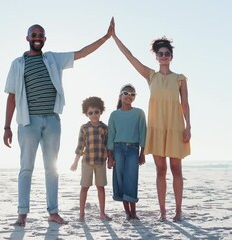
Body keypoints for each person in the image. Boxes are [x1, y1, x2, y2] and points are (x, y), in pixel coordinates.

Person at [3, 20, 113, 227]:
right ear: (27, 38)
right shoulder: (17, 64)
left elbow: (81, 53)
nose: (37, 38)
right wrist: (7, 126)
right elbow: (11, 96)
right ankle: (22, 214)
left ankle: (53, 212)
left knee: (51, 169)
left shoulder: (53, 59)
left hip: (52, 121)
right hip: (28, 122)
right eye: (33, 35)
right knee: (26, 168)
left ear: (44, 39)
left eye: (40, 35)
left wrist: (106, 38)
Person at [111, 18, 191, 222]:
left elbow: (185, 104)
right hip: (156, 128)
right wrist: (114, 37)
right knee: (160, 170)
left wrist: (188, 126)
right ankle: (163, 212)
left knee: (176, 169)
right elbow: (130, 57)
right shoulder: (151, 76)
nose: (164, 56)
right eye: (160, 54)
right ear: (156, 57)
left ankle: (178, 210)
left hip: (174, 127)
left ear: (171, 56)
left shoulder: (180, 78)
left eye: (167, 54)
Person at [107, 84, 146, 221]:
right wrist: (109, 157)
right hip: (118, 149)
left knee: (132, 179)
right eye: (126, 93)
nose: (129, 96)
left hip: (133, 150)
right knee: (120, 179)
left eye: (132, 94)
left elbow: (143, 134)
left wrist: (143, 153)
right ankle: (127, 213)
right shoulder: (114, 115)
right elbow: (110, 136)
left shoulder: (139, 113)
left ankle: (134, 212)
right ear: (120, 96)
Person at [70, 96, 111, 222]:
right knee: (84, 187)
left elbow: (108, 145)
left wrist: (110, 159)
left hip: (100, 162)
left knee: (101, 187)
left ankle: (102, 213)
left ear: (101, 112)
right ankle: (81, 214)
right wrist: (75, 162)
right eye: (90, 113)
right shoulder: (84, 128)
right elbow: (80, 146)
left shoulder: (104, 128)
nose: (94, 115)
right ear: (86, 114)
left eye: (96, 112)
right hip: (87, 162)